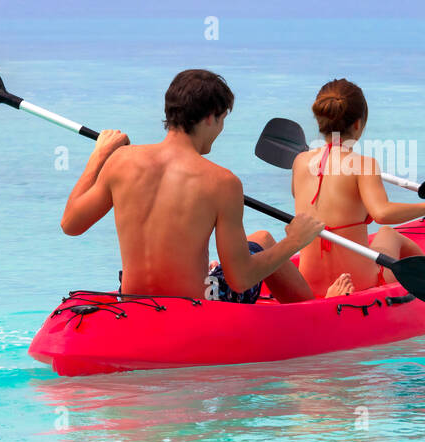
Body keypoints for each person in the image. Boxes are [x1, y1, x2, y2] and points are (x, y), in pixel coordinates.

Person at [59, 69, 355, 302]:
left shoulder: (120, 160)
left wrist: (99, 155)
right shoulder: (222, 183)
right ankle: (320, 311)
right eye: (223, 119)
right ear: (212, 117)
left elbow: (71, 224)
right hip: (198, 304)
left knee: (250, 243)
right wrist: (295, 240)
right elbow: (241, 278)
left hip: (134, 299)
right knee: (263, 240)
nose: (221, 129)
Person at [291, 78, 425, 297]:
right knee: (389, 233)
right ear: (357, 124)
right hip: (358, 283)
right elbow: (381, 213)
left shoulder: (300, 161)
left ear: (320, 120)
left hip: (309, 285)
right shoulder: (363, 165)